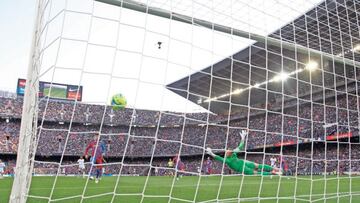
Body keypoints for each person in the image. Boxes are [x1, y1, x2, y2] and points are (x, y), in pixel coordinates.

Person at [206, 130, 282, 176]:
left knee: (258, 165)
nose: (226, 152)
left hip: (243, 162)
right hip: (241, 168)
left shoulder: (233, 154)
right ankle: (272, 172)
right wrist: (211, 153)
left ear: (229, 153)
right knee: (255, 172)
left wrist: (243, 138)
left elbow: (240, 147)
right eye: (227, 151)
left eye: (227, 151)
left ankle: (275, 169)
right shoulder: (228, 160)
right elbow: (220, 158)